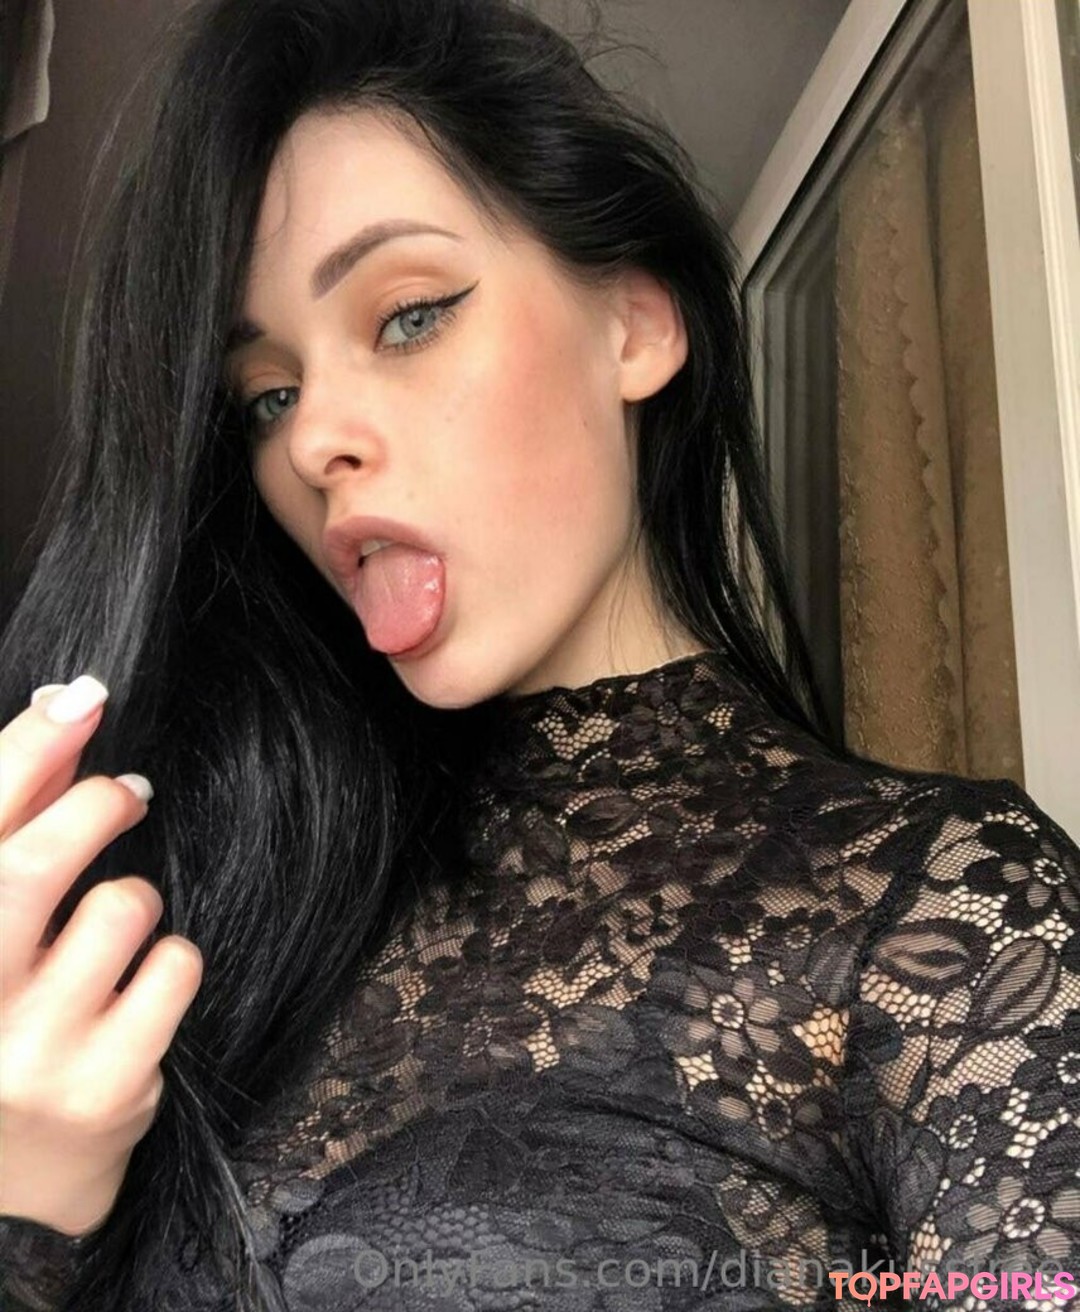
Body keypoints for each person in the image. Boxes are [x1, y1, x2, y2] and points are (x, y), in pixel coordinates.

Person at [1, 0, 1078, 1308]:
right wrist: (31, 1213)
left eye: (409, 316)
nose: (314, 440)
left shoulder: (947, 913)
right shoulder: (220, 904)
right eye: (269, 395)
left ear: (635, 326)